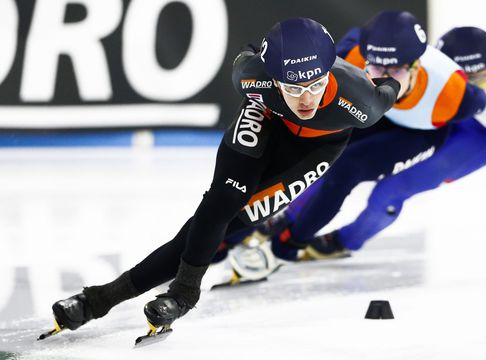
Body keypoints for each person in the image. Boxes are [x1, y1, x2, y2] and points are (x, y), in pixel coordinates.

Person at [43, 17, 400, 339]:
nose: (305, 99)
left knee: (224, 226)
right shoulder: (250, 76)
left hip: (315, 149)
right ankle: (181, 293)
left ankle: (102, 298)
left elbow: (390, 86)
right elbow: (247, 53)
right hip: (265, 120)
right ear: (272, 77)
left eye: (315, 85)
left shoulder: (361, 104)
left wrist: (394, 80)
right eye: (292, 88)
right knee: (219, 204)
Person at [250, 10, 486, 261]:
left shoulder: (457, 94)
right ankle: (286, 218)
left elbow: (484, 102)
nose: (383, 78)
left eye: (395, 70)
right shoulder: (351, 53)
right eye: (375, 66)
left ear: (417, 67)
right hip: (376, 112)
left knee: (349, 170)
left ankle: (292, 241)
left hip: (418, 134)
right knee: (317, 151)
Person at [302, 27, 486, 259]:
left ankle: (345, 241)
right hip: (447, 111)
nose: (471, 91)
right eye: (461, 81)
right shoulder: (439, 76)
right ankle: (293, 219)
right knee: (346, 153)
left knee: (391, 190)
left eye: (477, 79)